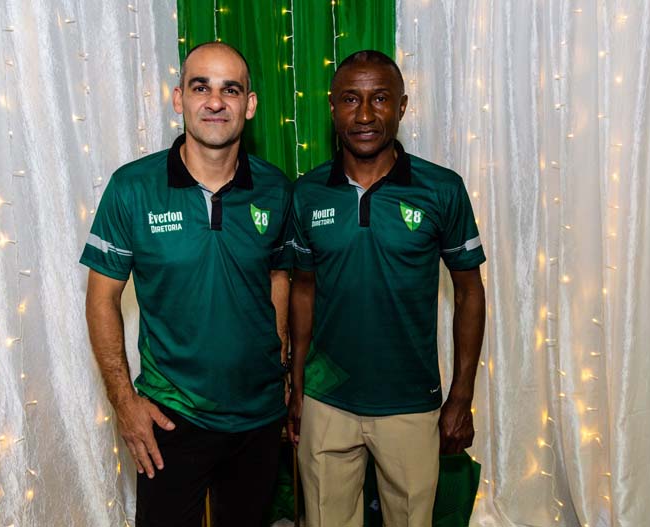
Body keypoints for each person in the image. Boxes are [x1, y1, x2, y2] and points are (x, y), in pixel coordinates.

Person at [81, 42, 293, 527]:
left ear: (249, 104)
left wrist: (279, 367)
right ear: (179, 98)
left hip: (258, 417)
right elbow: (101, 298)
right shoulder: (132, 188)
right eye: (201, 87)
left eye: (230, 90)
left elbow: (278, 276)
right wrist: (124, 402)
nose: (215, 102)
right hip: (170, 417)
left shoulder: (277, 189)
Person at [287, 50, 486, 527]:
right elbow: (303, 291)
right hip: (326, 399)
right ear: (332, 107)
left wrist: (461, 396)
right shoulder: (307, 192)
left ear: (402, 106)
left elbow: (469, 293)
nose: (364, 115)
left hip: (410, 402)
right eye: (350, 99)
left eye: (379, 98)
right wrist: (295, 385)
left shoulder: (441, 189)